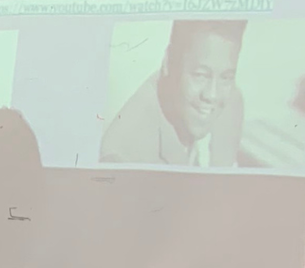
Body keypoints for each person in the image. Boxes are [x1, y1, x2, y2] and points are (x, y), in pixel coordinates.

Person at [99, 20, 247, 167]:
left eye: (226, 77)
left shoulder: (232, 103)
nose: (212, 95)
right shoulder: (123, 158)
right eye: (200, 75)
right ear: (168, 63)